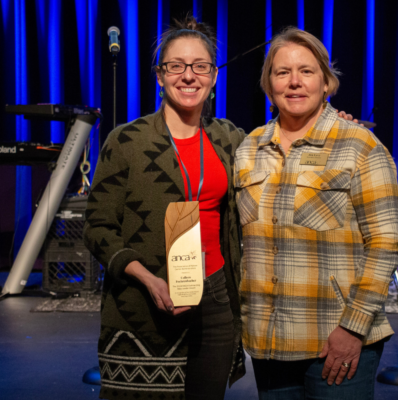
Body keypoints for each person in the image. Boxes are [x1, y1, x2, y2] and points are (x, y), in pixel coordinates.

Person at [234, 27, 398, 400]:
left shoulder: (360, 146)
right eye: (282, 73)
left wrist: (353, 329)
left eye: (306, 71)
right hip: (269, 344)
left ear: (326, 82)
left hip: (335, 343)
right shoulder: (249, 148)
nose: (294, 82)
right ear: (268, 84)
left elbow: (386, 242)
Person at [83, 17, 246, 400]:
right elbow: (98, 227)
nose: (188, 76)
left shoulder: (230, 139)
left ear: (213, 77)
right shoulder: (126, 141)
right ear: (159, 76)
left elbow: (283, 143)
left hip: (217, 298)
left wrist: (334, 118)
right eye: (176, 66)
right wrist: (147, 278)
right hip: (147, 303)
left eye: (200, 66)